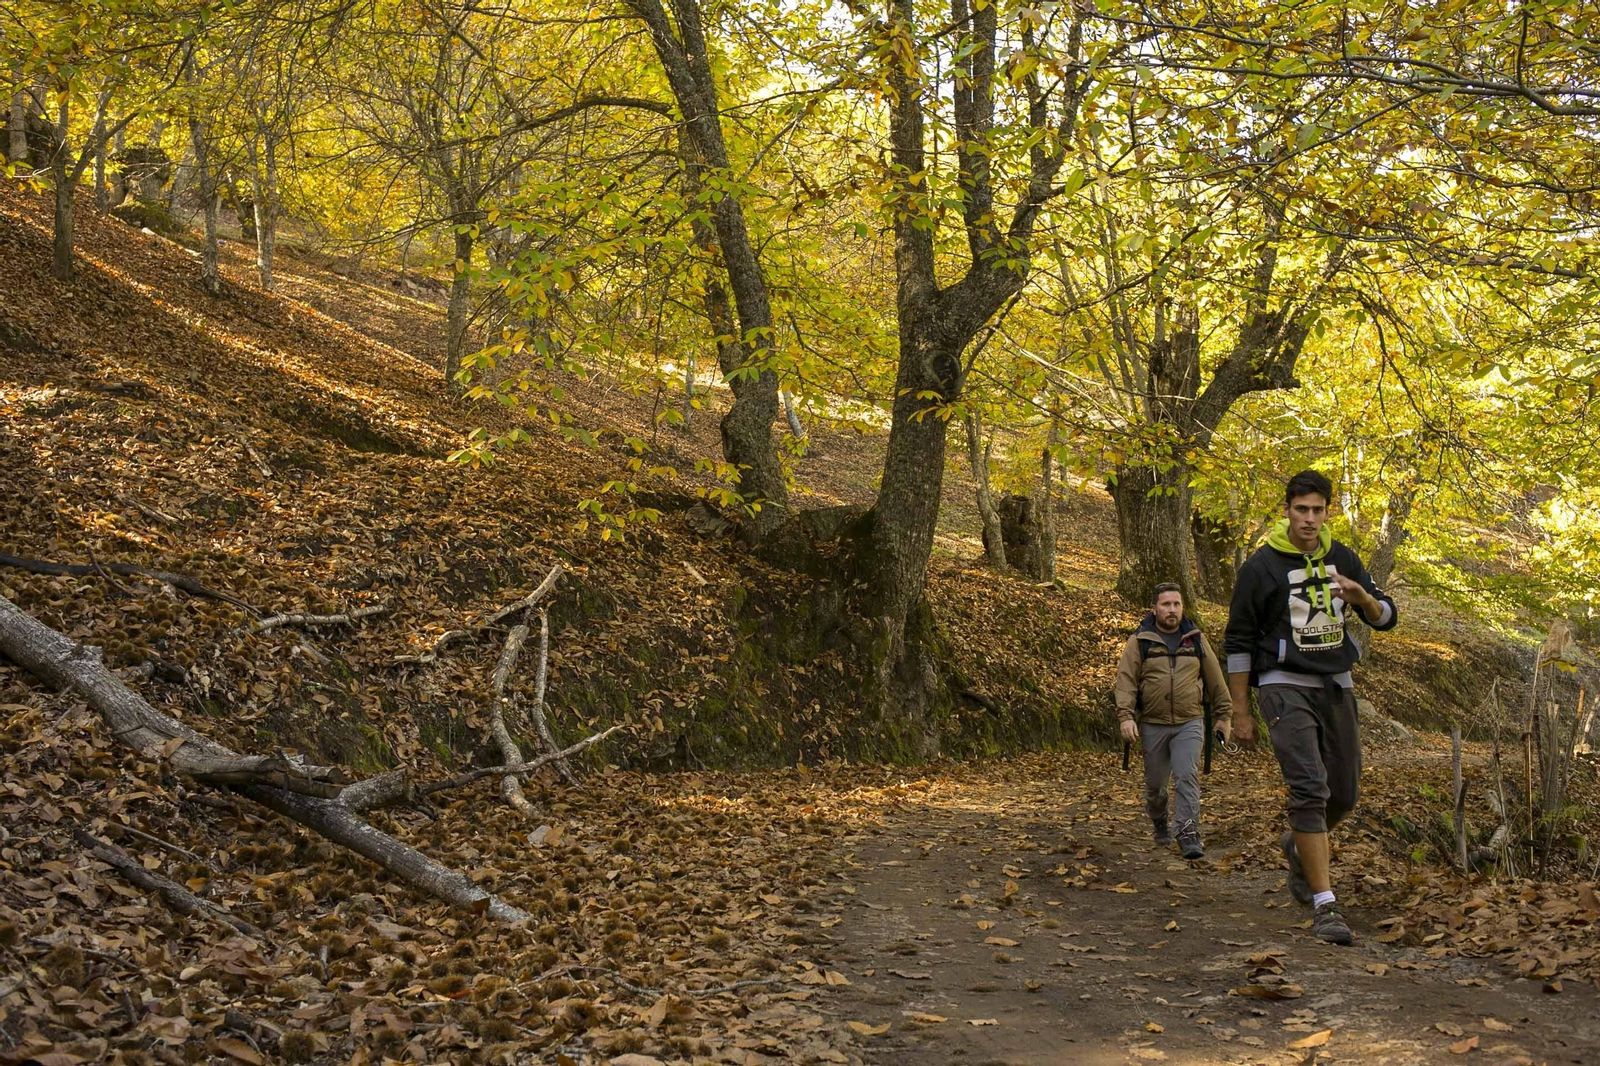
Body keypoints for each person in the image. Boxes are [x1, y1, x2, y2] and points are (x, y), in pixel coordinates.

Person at [1225, 469, 1398, 945]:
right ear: (1287, 510)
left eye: (1318, 510)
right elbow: (1238, 642)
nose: (1309, 518)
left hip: (1336, 684)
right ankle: (1325, 906)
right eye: (1301, 509)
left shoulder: (1343, 557)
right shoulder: (1260, 568)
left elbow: (1386, 616)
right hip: (1282, 686)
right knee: (1310, 788)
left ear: (1328, 512)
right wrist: (1240, 711)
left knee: (1343, 794)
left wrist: (1364, 599)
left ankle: (1298, 845)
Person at [1114, 582, 1233, 860]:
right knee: (1156, 785)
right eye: (1166, 604)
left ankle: (1188, 832)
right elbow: (1126, 682)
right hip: (1153, 724)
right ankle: (1159, 819)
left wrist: (1224, 716)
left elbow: (1216, 681)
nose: (1172, 610)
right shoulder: (1140, 641)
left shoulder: (1196, 640)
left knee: (1185, 776)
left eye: (1176, 604)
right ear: (1154, 608)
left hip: (1189, 722)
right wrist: (1126, 717)